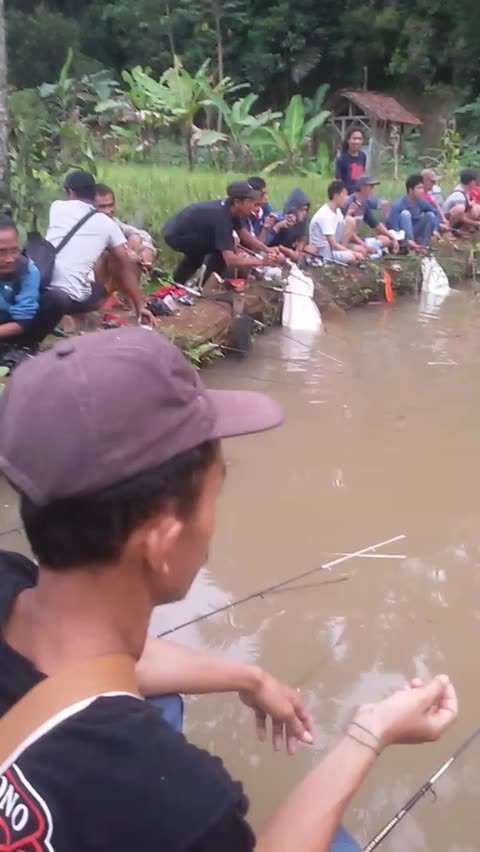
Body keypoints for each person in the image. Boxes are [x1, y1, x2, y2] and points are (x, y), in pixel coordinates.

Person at [0, 327, 458, 852]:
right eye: (215, 492)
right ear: (163, 539)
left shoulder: (12, 578)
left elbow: (95, 667)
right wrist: (369, 733)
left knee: (163, 700)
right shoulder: (172, 798)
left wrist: (248, 676)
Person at [42, 170, 156, 331]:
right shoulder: (107, 224)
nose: (108, 210)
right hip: (73, 297)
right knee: (96, 288)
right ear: (93, 194)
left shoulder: (56, 207)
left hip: (44, 288)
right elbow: (124, 262)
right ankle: (83, 320)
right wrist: (140, 304)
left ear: (70, 192)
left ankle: (70, 322)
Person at [163, 181, 275, 284]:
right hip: (177, 234)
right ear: (237, 202)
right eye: (252, 203)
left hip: (188, 231)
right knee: (220, 251)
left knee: (199, 257)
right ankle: (203, 286)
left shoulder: (232, 209)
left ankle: (177, 283)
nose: (255, 207)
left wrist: (267, 250)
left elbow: (244, 234)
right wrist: (262, 262)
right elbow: (230, 260)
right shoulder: (222, 218)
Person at [0, 215, 40, 359]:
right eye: (1, 252)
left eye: (14, 250)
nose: (10, 259)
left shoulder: (28, 271)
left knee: (55, 299)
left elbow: (23, 321)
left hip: (13, 326)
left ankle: (24, 347)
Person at [94, 184, 157, 271]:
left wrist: (146, 251)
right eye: (102, 207)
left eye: (110, 205)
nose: (108, 211)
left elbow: (142, 235)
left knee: (135, 239)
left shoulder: (114, 222)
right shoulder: (87, 227)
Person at [309, 180, 365, 265]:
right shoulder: (325, 215)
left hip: (335, 246)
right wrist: (353, 253)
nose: (347, 198)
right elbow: (333, 244)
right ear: (336, 195)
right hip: (324, 251)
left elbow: (344, 229)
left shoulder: (337, 211)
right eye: (344, 195)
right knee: (352, 257)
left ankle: (344, 253)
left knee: (361, 250)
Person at [343, 176, 399, 253]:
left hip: (358, 239)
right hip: (347, 240)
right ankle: (369, 250)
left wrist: (393, 238)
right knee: (362, 250)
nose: (373, 190)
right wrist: (365, 246)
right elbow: (348, 232)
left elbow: (376, 224)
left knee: (385, 240)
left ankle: (372, 249)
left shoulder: (364, 203)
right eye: (371, 187)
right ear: (362, 187)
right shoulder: (349, 203)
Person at [387, 174, 438, 252]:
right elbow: (393, 226)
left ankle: (423, 246)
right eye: (419, 188)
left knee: (430, 215)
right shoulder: (399, 204)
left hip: (414, 231)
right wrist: (402, 239)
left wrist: (435, 229)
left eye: (422, 188)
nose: (422, 191)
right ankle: (408, 246)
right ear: (411, 190)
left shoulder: (421, 202)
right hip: (401, 236)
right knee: (405, 214)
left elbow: (435, 212)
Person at [335, 127, 367, 193]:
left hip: (361, 193)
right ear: (348, 140)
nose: (357, 141)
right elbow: (339, 183)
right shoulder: (341, 159)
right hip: (348, 195)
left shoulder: (363, 156)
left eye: (359, 139)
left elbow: (362, 176)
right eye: (354, 139)